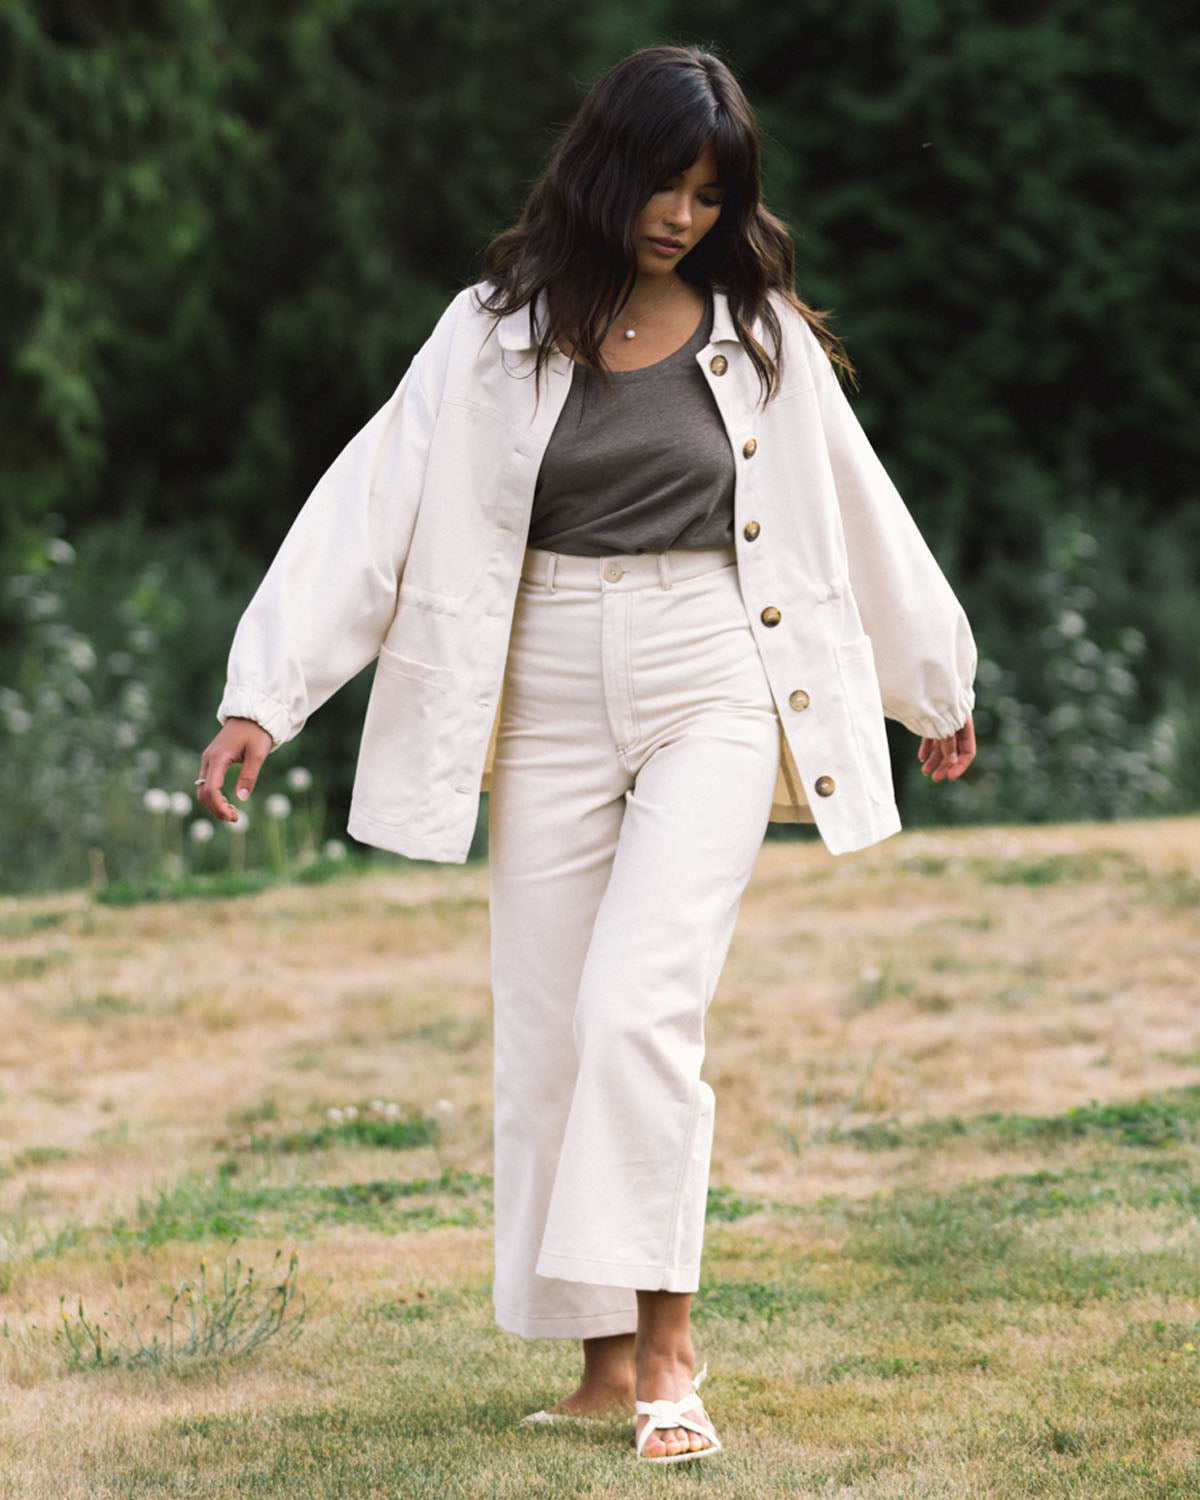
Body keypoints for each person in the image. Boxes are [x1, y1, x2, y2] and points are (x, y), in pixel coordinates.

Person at [196, 44, 977, 1464]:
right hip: (541, 679)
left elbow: (853, 504)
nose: (681, 216)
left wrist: (934, 682)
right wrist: (268, 693)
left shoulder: (762, 338)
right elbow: (372, 502)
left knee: (638, 1006)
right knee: (552, 1027)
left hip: (711, 673)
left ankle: (673, 1348)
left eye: (709, 192)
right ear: (604, 167)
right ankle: (603, 1362)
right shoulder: (491, 330)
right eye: (665, 185)